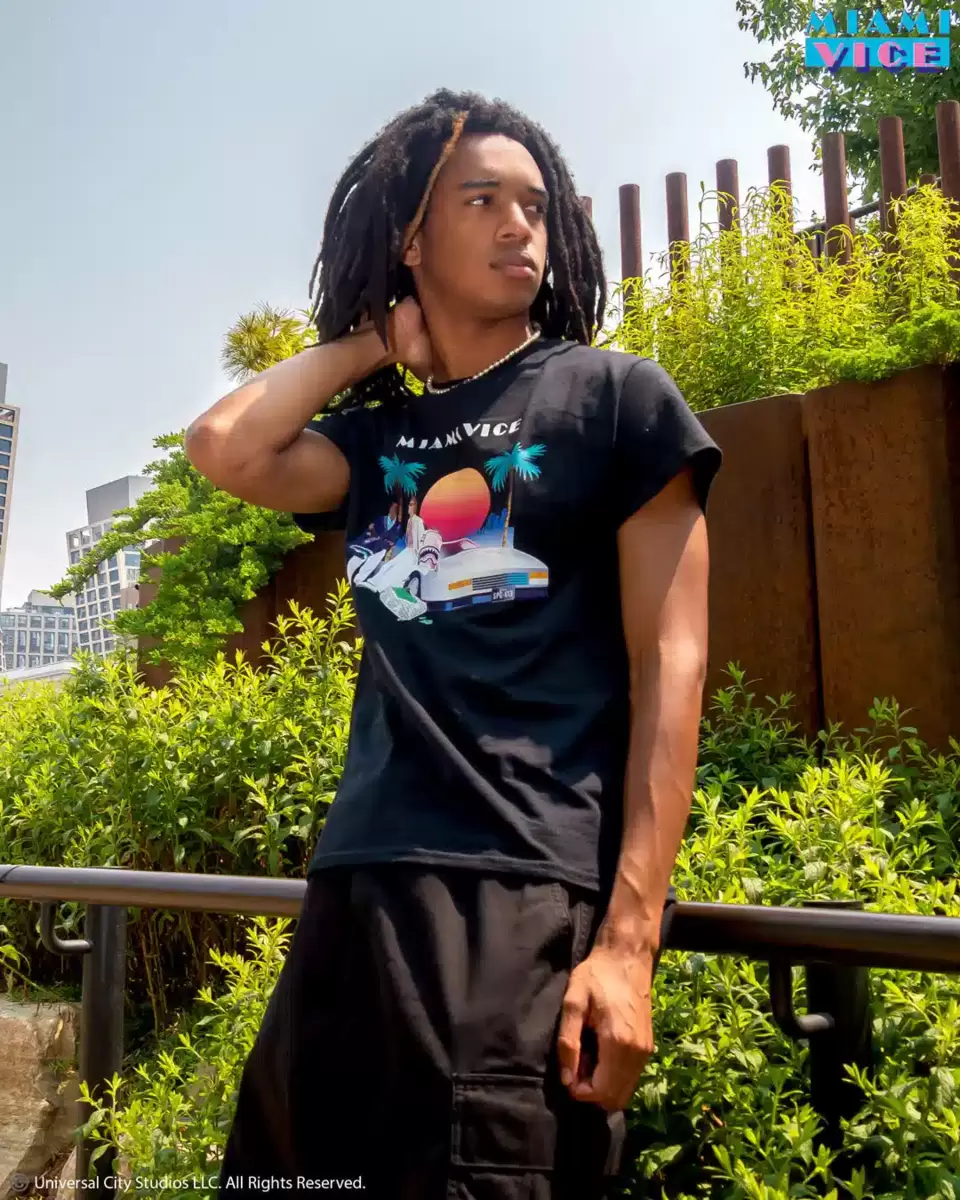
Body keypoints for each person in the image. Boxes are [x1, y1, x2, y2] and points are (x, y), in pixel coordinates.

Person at [185, 87, 723, 1200]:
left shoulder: (615, 400)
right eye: (482, 200)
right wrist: (372, 343)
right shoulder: (376, 440)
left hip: (519, 891)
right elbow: (224, 445)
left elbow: (671, 664)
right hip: (353, 893)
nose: (520, 224)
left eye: (535, 204)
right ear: (411, 240)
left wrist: (630, 944)